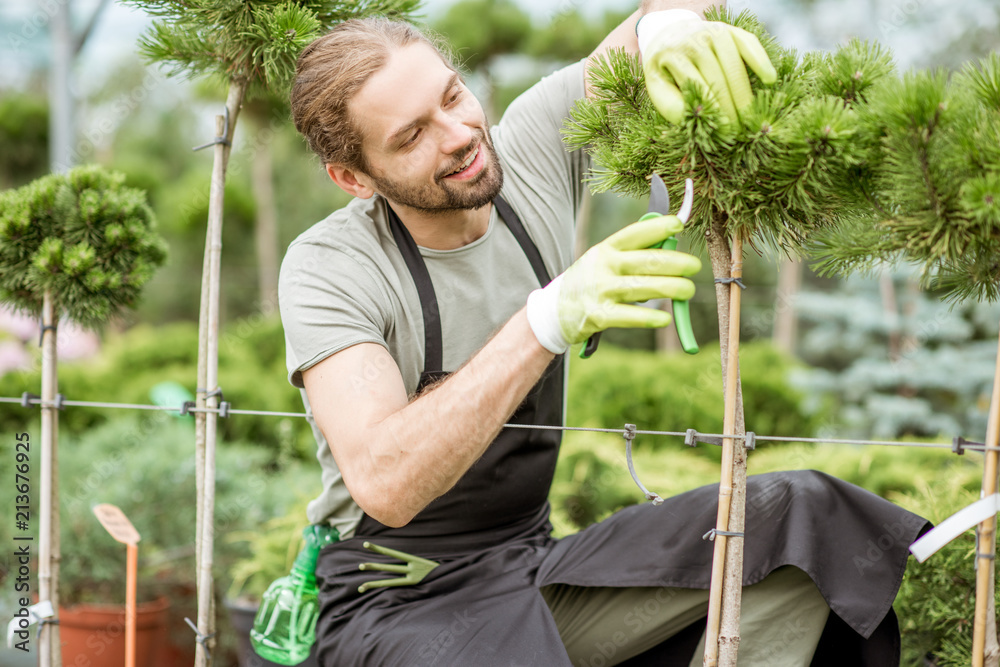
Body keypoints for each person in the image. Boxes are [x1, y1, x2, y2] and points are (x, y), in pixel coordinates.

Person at [279, 3, 930, 665]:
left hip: (528, 561)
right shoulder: (331, 267)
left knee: (797, 522)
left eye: (452, 95)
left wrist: (668, 31)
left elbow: (659, 18)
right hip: (394, 598)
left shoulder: (527, 148)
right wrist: (546, 320)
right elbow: (384, 482)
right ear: (352, 178)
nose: (458, 134)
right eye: (412, 135)